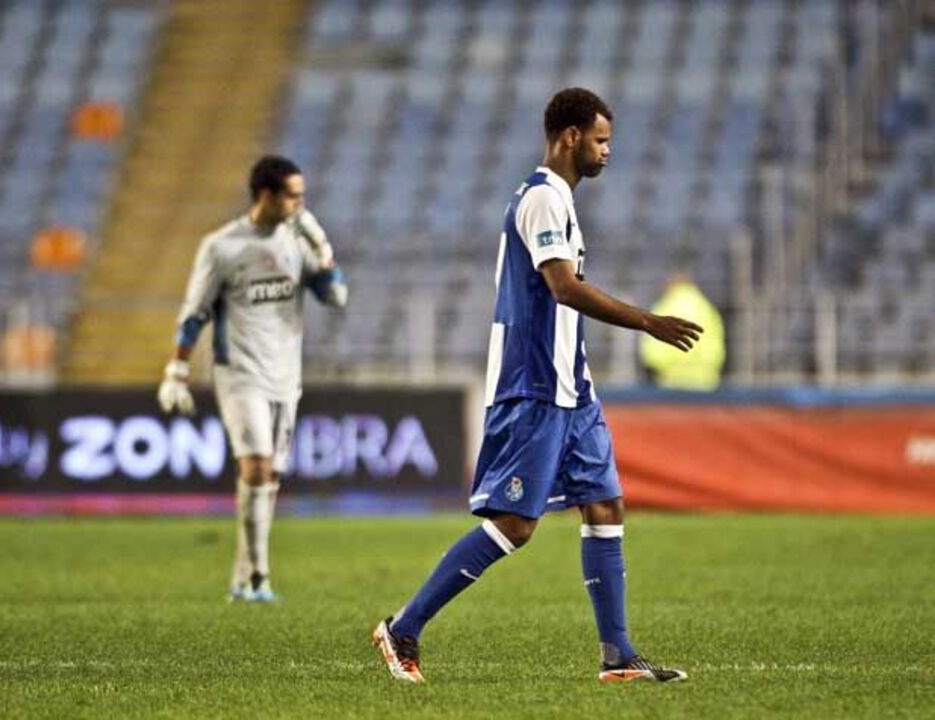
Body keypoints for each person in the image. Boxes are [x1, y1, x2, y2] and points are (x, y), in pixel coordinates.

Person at [372, 88, 702, 684]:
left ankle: (618, 656)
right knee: (516, 525)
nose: (608, 151)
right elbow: (563, 287)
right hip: (535, 384)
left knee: (606, 505)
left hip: (572, 386)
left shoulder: (562, 202)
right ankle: (402, 629)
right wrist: (647, 321)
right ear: (571, 137)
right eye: (601, 140)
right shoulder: (543, 200)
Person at [157, 155, 347, 602]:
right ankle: (260, 576)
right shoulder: (221, 246)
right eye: (294, 195)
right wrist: (176, 370)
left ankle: (241, 578)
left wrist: (322, 250)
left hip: (286, 375)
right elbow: (194, 313)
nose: (302, 203)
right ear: (266, 195)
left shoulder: (296, 242)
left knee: (269, 475)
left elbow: (335, 296)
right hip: (239, 372)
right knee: (257, 464)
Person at [640, 272, 726, 390]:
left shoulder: (665, 306)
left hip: (670, 380)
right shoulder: (707, 308)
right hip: (705, 381)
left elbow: (653, 349)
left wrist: (658, 366)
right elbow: (717, 343)